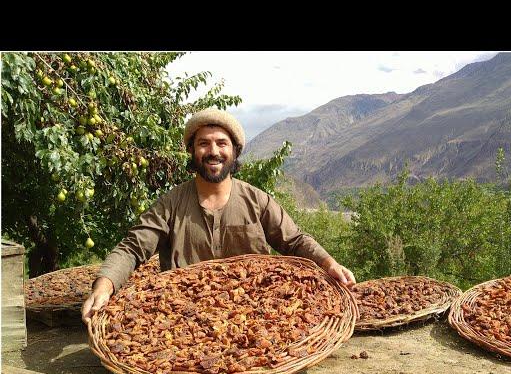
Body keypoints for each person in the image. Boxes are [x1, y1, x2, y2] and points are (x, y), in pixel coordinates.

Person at [81, 107, 356, 325]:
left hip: (256, 316)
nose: (213, 152)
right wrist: (105, 286)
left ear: (235, 151)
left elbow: (294, 241)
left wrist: (329, 263)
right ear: (192, 151)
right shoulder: (170, 204)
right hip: (185, 317)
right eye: (204, 144)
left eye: (222, 143)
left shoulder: (257, 200)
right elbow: (132, 248)